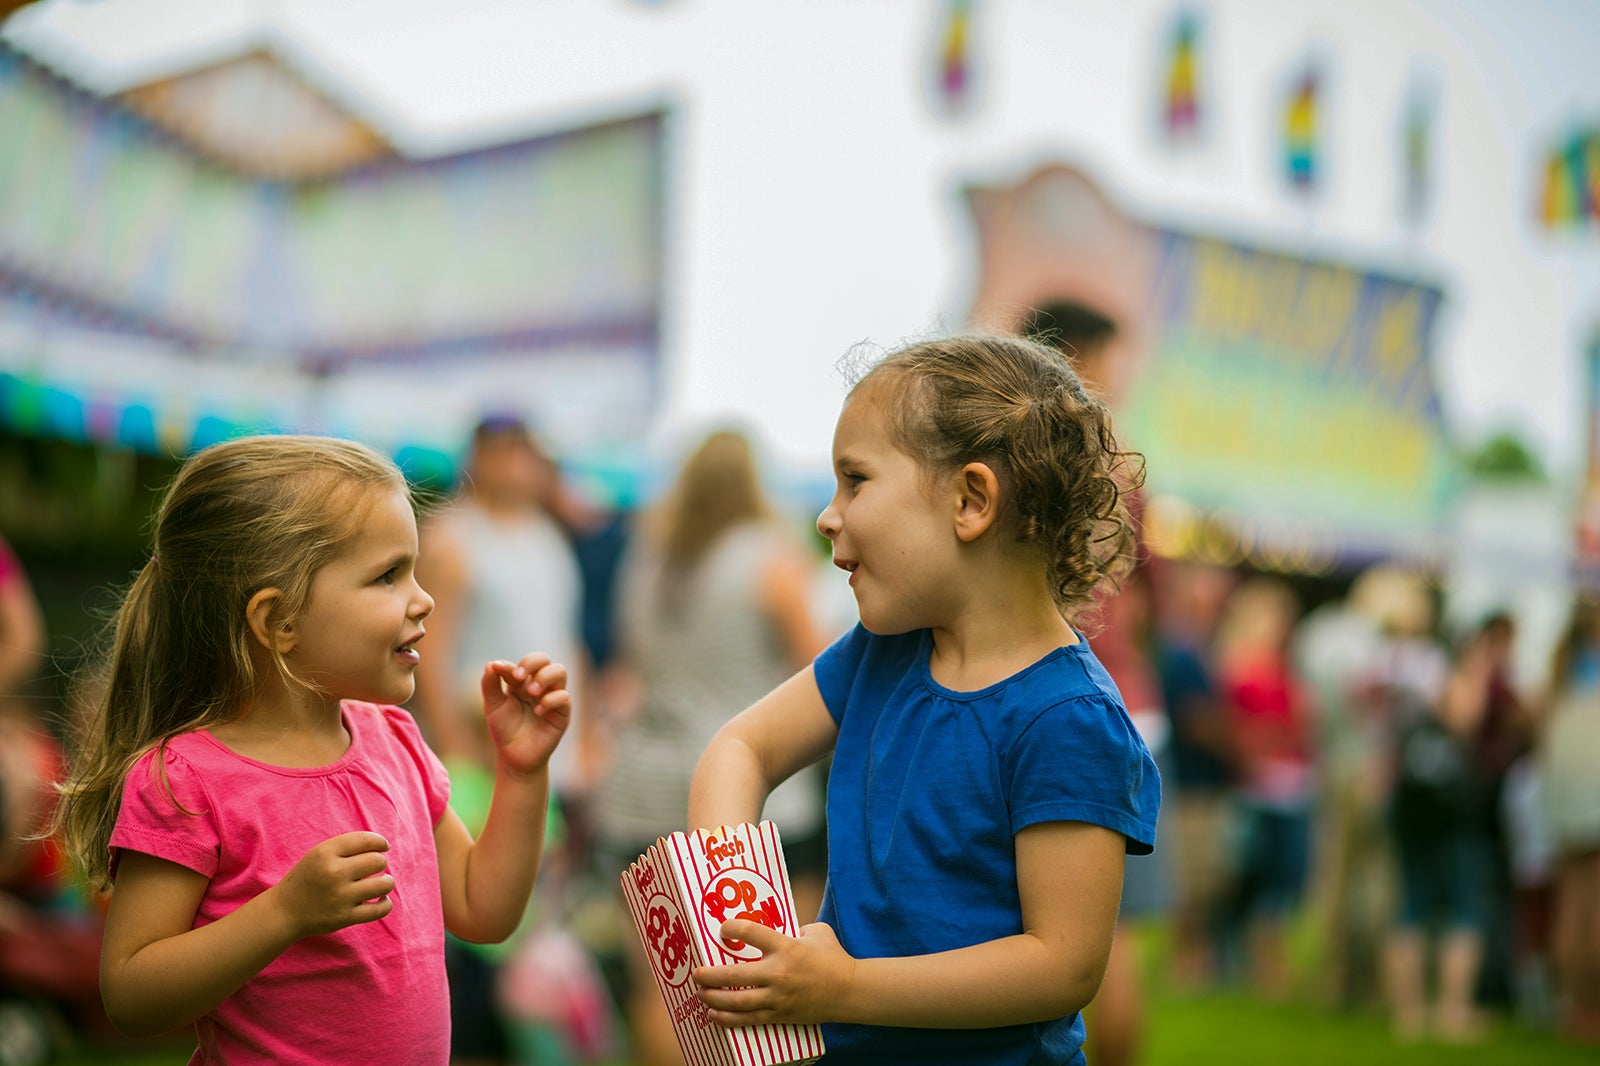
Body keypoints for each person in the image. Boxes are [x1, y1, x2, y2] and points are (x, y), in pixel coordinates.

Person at [687, 334, 1161, 1065]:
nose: (826, 515)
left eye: (855, 480)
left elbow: (1062, 965)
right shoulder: (881, 651)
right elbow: (740, 749)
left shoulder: (1070, 721)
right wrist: (730, 915)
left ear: (970, 500)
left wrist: (844, 989)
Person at [47, 434, 571, 1063]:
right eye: (386, 576)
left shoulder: (393, 742)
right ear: (279, 622)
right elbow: (131, 996)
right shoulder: (186, 781)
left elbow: (483, 911)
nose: (423, 598)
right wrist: (284, 913)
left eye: (413, 570)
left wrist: (522, 769)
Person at [592, 426, 834, 1066]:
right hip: (758, 803)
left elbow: (626, 667)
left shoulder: (649, 560)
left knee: (665, 989)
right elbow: (825, 675)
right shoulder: (770, 557)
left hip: (643, 790)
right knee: (777, 978)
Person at [411, 415, 592, 1063]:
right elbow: (430, 647)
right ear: (481, 458)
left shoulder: (548, 538)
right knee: (470, 910)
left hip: (545, 747)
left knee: (532, 908)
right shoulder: (454, 537)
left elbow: (571, 642)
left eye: (527, 454)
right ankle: (468, 1042)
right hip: (476, 751)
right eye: (507, 454)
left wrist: (585, 739)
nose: (519, 467)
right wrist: (453, 744)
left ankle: (522, 1037)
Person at [1022, 298, 1171, 1066]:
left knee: (1068, 953)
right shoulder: (1115, 463)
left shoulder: (1021, 466)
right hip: (1117, 710)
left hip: (1057, 707)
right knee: (1111, 946)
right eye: (1109, 362)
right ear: (1073, 357)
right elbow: (1154, 595)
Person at [1212, 575, 1315, 998]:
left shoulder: (1280, 664)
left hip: (1291, 784)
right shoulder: (1239, 664)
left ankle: (1267, 961)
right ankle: (1255, 962)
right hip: (1260, 787)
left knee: (1283, 879)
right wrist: (1268, 738)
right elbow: (1236, 729)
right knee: (1256, 877)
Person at [1537, 598, 1600, 1043]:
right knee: (1593, 913)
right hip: (1592, 804)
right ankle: (1590, 1008)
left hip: (1563, 807)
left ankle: (1574, 1007)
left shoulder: (1561, 678)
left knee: (1571, 908)